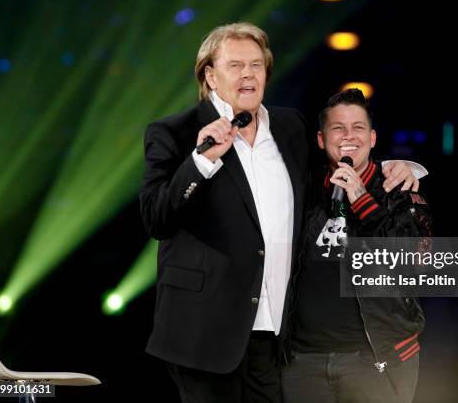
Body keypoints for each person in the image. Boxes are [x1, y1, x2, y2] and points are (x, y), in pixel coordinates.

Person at [139, 22, 424, 403]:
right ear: (210, 75)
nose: (248, 74)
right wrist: (202, 159)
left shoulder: (290, 127)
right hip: (205, 334)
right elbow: (157, 218)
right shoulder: (174, 133)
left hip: (277, 338)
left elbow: (339, 156)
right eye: (236, 65)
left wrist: (398, 166)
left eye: (256, 65)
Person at [282, 88, 433, 403]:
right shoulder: (302, 191)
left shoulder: (400, 190)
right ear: (322, 140)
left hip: (376, 358)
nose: (348, 136)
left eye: (358, 128)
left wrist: (362, 200)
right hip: (304, 362)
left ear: (373, 138)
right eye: (338, 128)